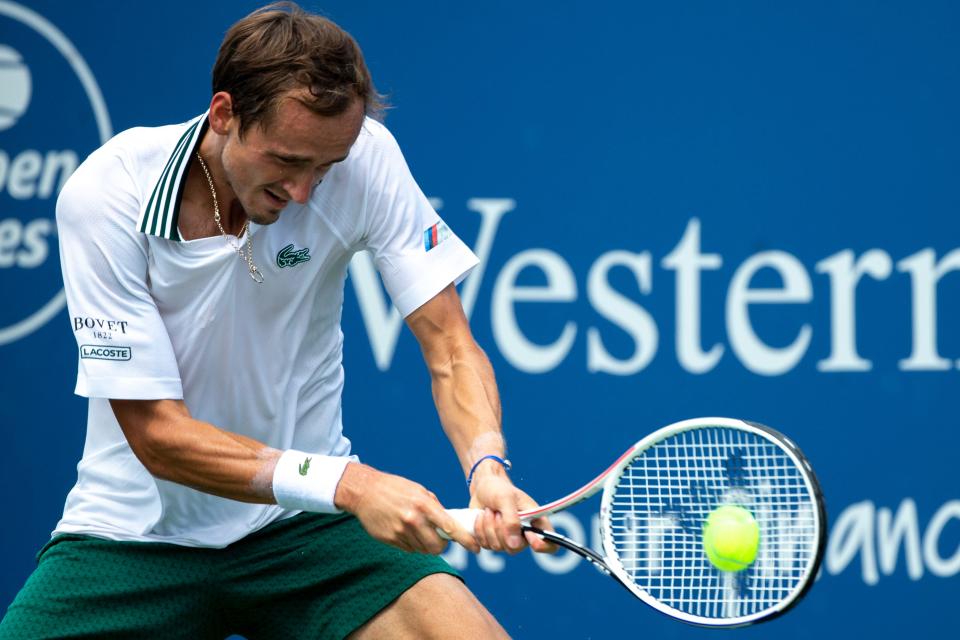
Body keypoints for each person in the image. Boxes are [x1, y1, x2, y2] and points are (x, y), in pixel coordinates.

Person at [0, 3, 552, 638]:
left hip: (302, 528)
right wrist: (348, 484)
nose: (305, 192)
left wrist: (487, 466)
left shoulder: (365, 158)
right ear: (225, 114)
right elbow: (157, 436)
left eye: (326, 166)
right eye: (287, 161)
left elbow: (450, 346)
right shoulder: (109, 194)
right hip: (135, 536)